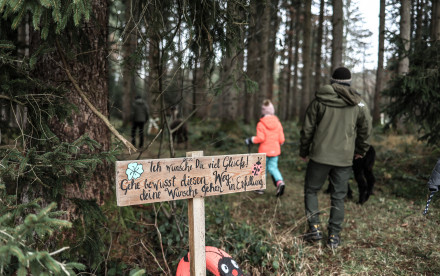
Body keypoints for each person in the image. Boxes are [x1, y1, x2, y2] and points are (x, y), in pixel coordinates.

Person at [299, 67, 372, 248]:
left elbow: (307, 129)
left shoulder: (319, 100)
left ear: (332, 81)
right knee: (338, 197)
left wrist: (304, 150)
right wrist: (361, 150)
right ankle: (333, 238)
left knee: (311, 190)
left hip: (319, 156)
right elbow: (366, 129)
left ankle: (314, 229)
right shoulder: (358, 103)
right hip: (344, 158)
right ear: (349, 83)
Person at [245, 99, 286, 197]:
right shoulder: (278, 123)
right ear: (272, 111)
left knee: (259, 168)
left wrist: (251, 139)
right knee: (273, 168)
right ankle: (280, 182)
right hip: (275, 150)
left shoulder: (261, 124)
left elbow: (261, 138)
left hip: (264, 151)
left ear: (263, 111)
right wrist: (279, 143)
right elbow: (282, 139)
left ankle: (260, 188)